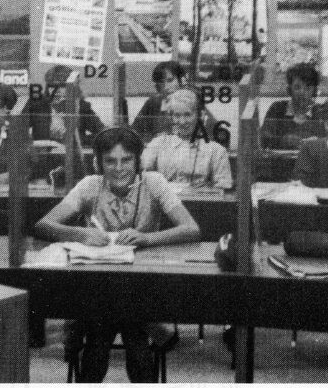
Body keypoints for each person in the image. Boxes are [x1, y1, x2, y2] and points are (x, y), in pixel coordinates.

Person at [35, 126, 200, 383]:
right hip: (97, 286)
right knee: (123, 330)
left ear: (138, 161)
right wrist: (81, 234)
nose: (119, 168)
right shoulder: (90, 185)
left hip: (139, 285)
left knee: (111, 331)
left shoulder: (154, 182)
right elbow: (44, 225)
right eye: (110, 161)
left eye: (127, 160)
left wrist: (147, 238)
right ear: (98, 164)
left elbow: (191, 229)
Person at [141, 89, 233, 190]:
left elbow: (224, 189)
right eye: (177, 115)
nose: (182, 121)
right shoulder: (158, 144)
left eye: (187, 115)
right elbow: (141, 177)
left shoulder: (216, 151)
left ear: (200, 116)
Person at [26, 65, 105, 146]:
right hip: (42, 156)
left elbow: (104, 134)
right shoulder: (37, 106)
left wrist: (73, 139)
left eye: (62, 86)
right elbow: (17, 133)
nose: (56, 91)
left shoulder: (82, 107)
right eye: (52, 85)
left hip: (72, 156)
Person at [261, 63, 325, 150]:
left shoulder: (321, 111)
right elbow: (263, 139)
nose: (302, 92)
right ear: (289, 90)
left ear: (314, 91)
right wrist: (283, 141)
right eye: (297, 87)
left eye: (308, 87)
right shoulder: (277, 108)